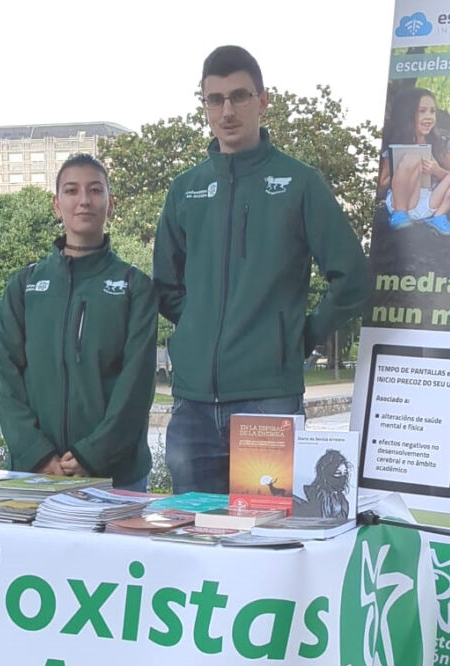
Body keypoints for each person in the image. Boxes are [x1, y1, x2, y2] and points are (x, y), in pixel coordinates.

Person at [152, 46, 369, 494]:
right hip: (192, 406)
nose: (227, 110)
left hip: (268, 401)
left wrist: (295, 335)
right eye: (215, 99)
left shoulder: (298, 182)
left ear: (263, 100)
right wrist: (198, 329)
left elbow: (353, 278)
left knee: (264, 540)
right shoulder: (185, 189)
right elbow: (165, 287)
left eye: (239, 96)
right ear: (205, 105)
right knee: (194, 542)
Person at [0, 154, 156, 491]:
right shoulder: (24, 286)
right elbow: (8, 380)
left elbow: (136, 386)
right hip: (36, 473)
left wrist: (92, 454)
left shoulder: (133, 285)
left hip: (116, 476)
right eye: (71, 190)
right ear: (56, 205)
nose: (84, 200)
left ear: (111, 205)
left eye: (95, 190)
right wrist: (37, 453)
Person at [380, 86, 450, 236]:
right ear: (408, 114)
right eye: (422, 111)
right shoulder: (396, 143)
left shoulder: (438, 145)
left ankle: (439, 217)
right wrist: (404, 171)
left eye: (432, 111)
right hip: (405, 200)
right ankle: (399, 214)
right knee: (413, 157)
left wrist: (436, 171)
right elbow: (382, 182)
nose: (429, 117)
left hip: (430, 202)